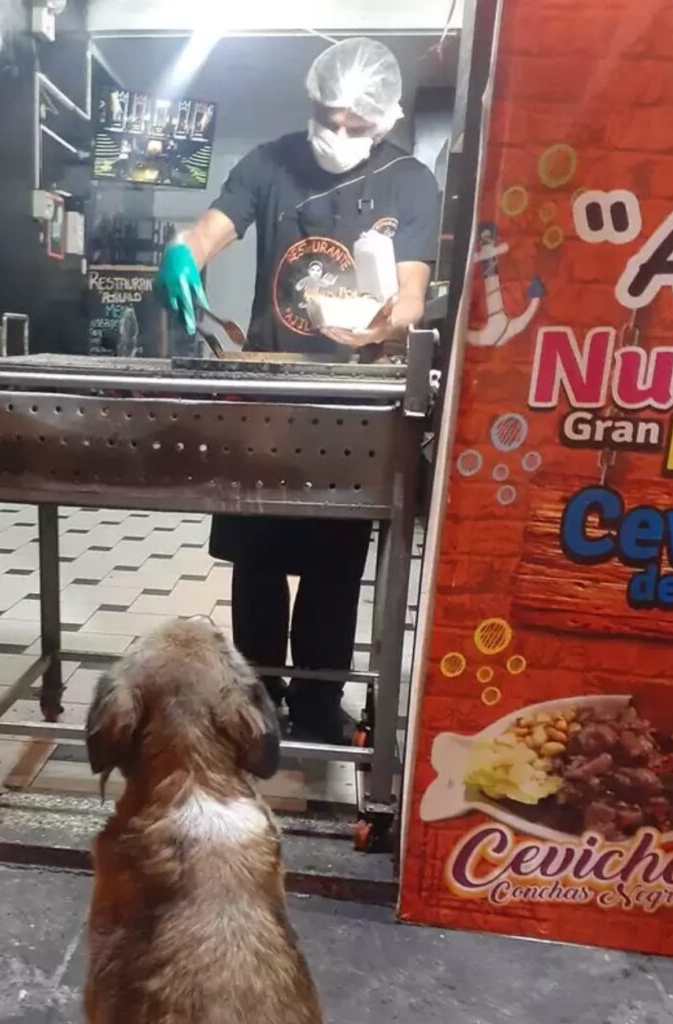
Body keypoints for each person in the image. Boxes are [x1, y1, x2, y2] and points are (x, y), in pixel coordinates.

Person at [155, 38, 439, 744]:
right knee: (257, 560)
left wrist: (379, 323)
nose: (336, 135)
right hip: (265, 391)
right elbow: (211, 229)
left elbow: (410, 295)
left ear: (383, 119)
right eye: (326, 117)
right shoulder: (269, 163)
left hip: (353, 401)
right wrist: (183, 253)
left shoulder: (409, 181)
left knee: (333, 567)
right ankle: (255, 701)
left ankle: (317, 705)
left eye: (354, 125)